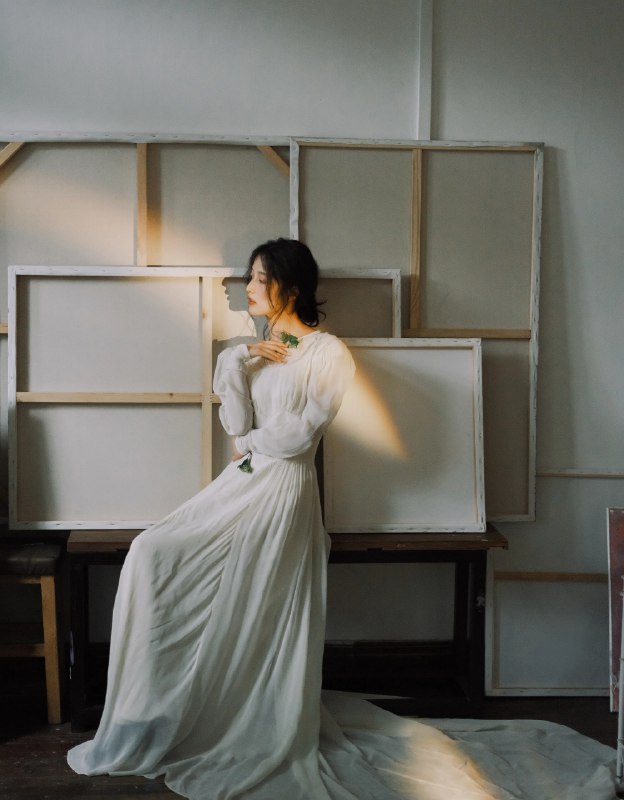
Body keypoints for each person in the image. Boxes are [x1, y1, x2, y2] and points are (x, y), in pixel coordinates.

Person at [67, 238, 615, 800]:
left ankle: (235, 717)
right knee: (151, 553)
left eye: (259, 279)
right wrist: (237, 360)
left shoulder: (328, 353)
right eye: (249, 278)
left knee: (216, 584)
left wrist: (249, 443)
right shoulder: (258, 350)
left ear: (291, 288)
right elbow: (234, 423)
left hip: (281, 490)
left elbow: (299, 435)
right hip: (244, 482)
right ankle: (162, 714)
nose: (248, 288)